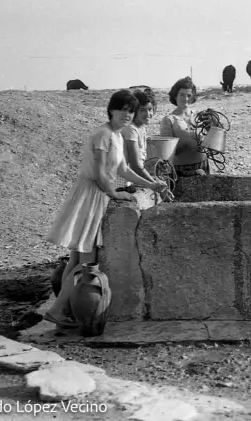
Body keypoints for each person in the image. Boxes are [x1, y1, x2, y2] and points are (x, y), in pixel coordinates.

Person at [44, 90, 168, 327]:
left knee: (78, 257)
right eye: (123, 109)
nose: (127, 115)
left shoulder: (117, 136)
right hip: (90, 195)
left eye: (131, 111)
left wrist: (152, 184)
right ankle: (58, 310)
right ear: (111, 110)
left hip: (96, 196)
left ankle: (64, 309)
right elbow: (101, 174)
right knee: (85, 261)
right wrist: (115, 193)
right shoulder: (103, 134)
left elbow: (123, 170)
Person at [159, 76, 209, 177]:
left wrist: (211, 128)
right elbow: (167, 153)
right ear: (175, 96)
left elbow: (212, 141)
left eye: (189, 95)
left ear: (193, 97)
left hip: (203, 165)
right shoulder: (169, 120)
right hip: (182, 170)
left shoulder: (199, 116)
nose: (185, 99)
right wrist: (188, 144)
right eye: (182, 95)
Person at [114, 88, 158, 190]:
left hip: (128, 181)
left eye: (150, 109)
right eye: (142, 110)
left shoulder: (141, 127)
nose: (148, 114)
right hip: (117, 183)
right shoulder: (130, 129)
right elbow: (136, 166)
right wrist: (154, 184)